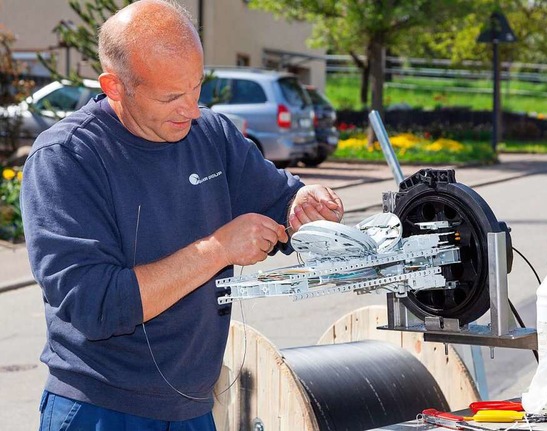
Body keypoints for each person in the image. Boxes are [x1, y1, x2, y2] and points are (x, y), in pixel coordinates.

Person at [20, 1, 343, 429]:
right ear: (115, 86)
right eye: (171, 96)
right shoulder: (67, 158)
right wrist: (218, 249)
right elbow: (93, 304)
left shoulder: (211, 134)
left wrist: (306, 203)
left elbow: (278, 199)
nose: (191, 110)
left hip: (193, 408)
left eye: (197, 87)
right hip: (100, 408)